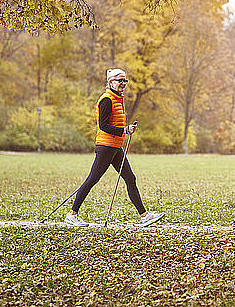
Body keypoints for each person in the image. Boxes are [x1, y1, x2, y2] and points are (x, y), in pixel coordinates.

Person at [65, 68, 165, 227]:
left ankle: (145, 216)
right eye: (120, 81)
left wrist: (126, 128)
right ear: (110, 82)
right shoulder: (106, 100)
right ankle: (72, 215)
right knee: (92, 179)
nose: (123, 84)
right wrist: (124, 130)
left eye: (125, 81)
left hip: (116, 147)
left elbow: (114, 124)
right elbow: (103, 126)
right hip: (106, 147)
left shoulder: (118, 99)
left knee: (130, 178)